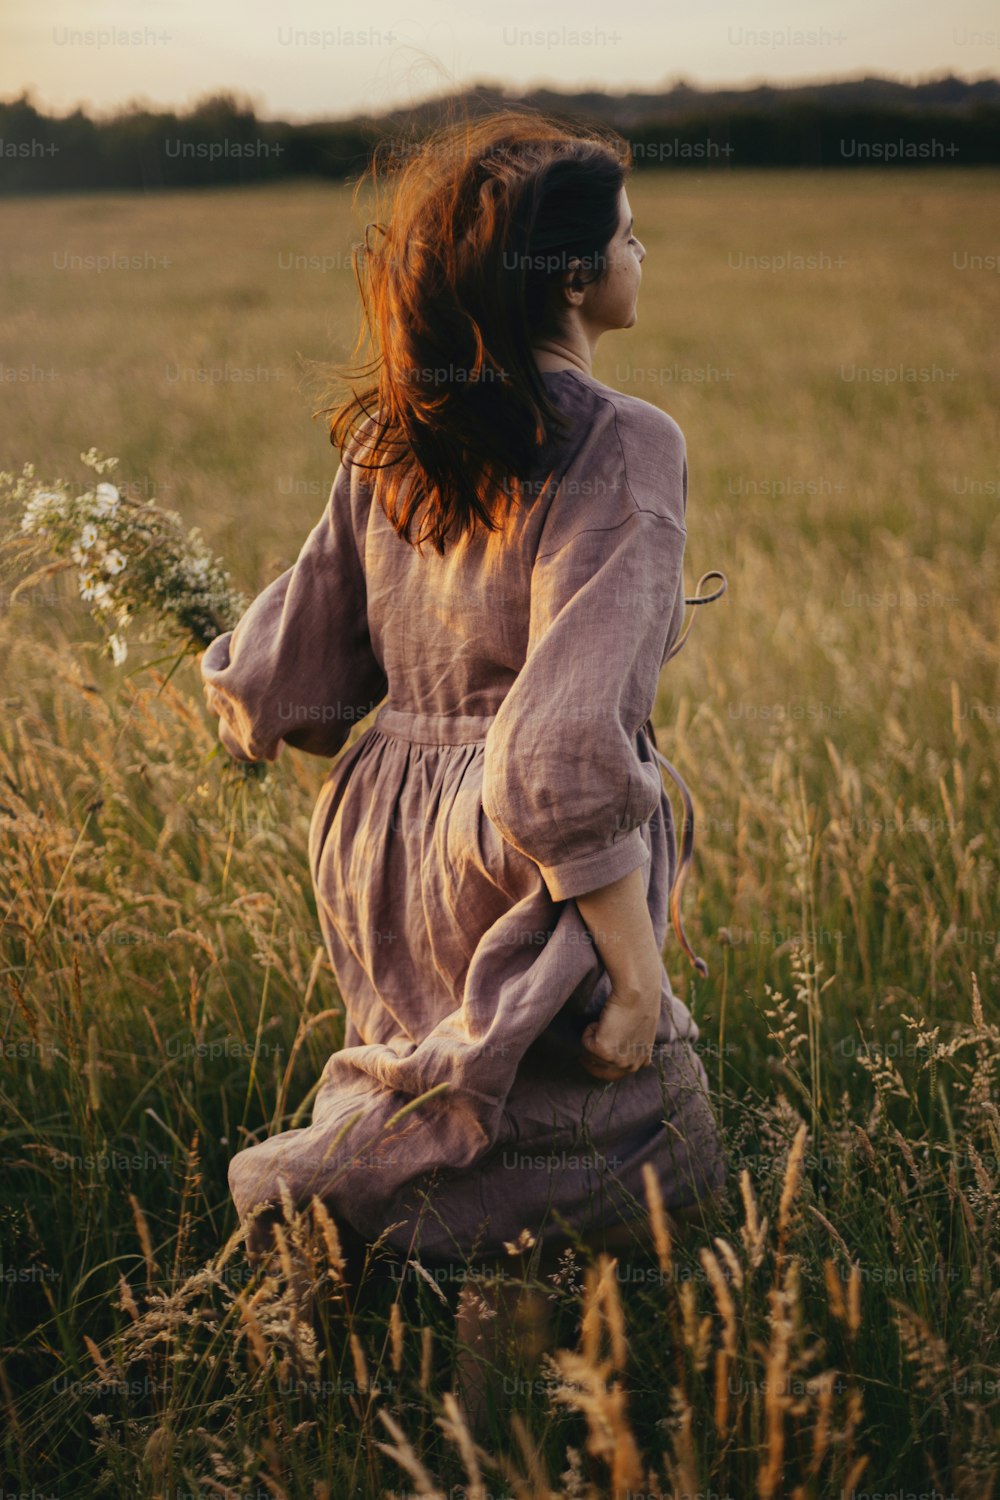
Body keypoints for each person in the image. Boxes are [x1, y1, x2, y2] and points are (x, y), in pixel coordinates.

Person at [200, 109, 728, 1380]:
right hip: (526, 855)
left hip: (384, 847)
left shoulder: (397, 432)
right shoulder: (624, 439)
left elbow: (292, 676)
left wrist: (247, 694)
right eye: (626, 233)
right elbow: (555, 750)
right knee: (642, 1154)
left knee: (466, 1121)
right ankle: (308, 1217)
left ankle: (347, 1381)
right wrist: (638, 973)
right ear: (574, 276)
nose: (640, 250)